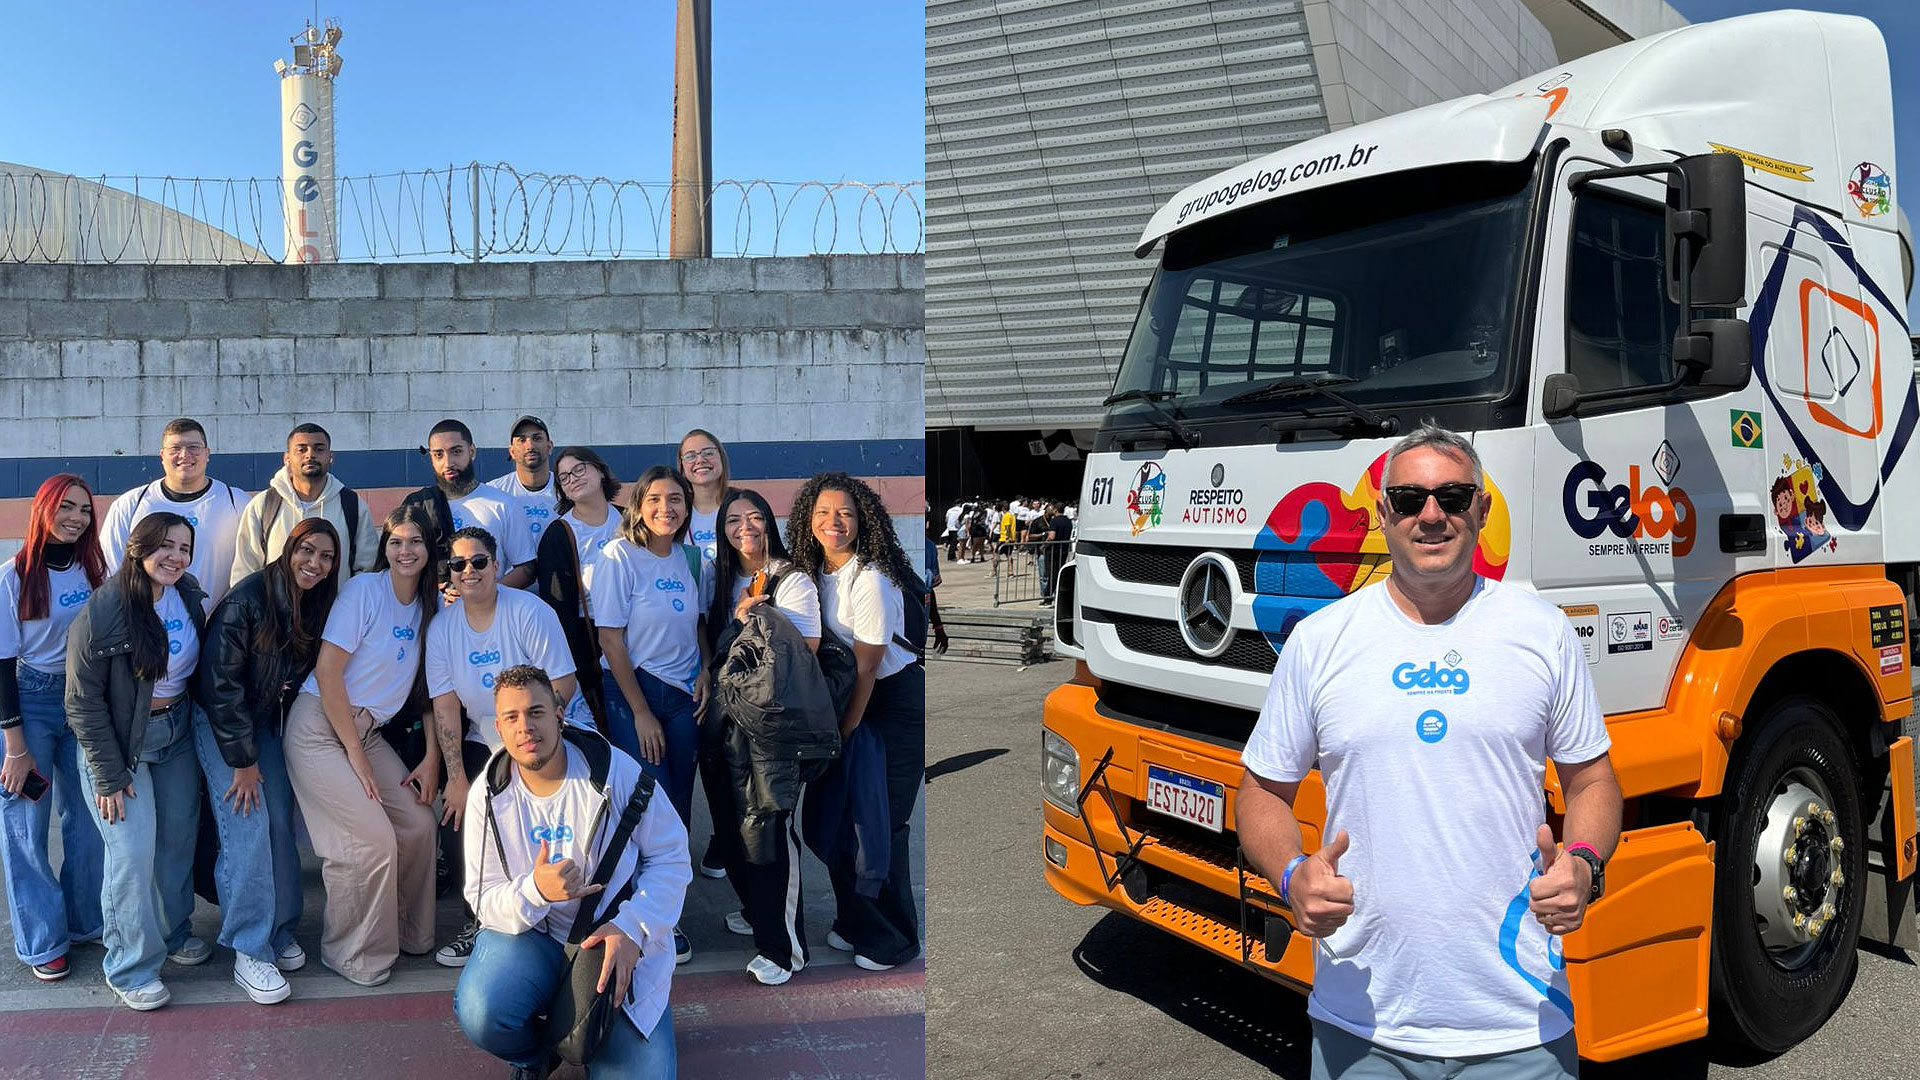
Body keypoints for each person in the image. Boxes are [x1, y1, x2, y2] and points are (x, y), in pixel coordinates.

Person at [1235, 424, 1622, 1080]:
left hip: (1520, 1022)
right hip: (1361, 1023)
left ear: (1482, 509)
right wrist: (1291, 873)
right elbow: (1260, 794)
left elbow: (1592, 782)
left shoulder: (1542, 632)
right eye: (1410, 499)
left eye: (1452, 495)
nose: (1432, 514)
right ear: (1383, 515)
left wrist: (1584, 864)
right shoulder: (1320, 641)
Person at [453, 665, 689, 1080]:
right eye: (511, 718)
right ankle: (537, 1057)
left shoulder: (616, 772)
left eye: (536, 712)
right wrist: (535, 891)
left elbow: (671, 856)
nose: (525, 727)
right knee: (481, 1008)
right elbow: (482, 898)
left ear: (559, 714)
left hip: (610, 941)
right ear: (499, 729)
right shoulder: (487, 795)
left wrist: (633, 927)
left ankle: (594, 1034)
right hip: (536, 940)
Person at [282, 505, 442, 987]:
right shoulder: (364, 591)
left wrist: (433, 757)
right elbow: (329, 673)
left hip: (366, 731)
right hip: (320, 726)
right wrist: (355, 756)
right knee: (368, 841)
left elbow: (434, 689)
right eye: (395, 541)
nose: (404, 550)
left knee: (416, 826)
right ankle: (351, 952)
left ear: (430, 549)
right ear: (384, 549)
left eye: (415, 541)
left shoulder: (432, 606)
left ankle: (409, 934)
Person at [195, 518, 345, 1004]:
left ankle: (279, 927)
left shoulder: (316, 599)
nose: (315, 563)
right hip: (223, 723)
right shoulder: (248, 600)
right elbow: (219, 688)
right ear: (288, 549)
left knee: (281, 819)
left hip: (262, 721)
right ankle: (248, 946)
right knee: (248, 820)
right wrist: (242, 762)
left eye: (326, 556)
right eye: (307, 551)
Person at [66, 513, 210, 1011]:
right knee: (130, 852)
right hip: (119, 745)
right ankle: (130, 965)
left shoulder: (187, 593)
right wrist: (107, 774)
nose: (174, 556)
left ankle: (174, 934)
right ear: (137, 548)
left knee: (176, 844)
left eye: (184, 548)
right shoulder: (104, 611)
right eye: (164, 546)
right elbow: (82, 702)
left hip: (177, 734)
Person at [426, 526, 584, 969]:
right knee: (457, 815)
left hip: (547, 734)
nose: (469, 571)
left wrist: (530, 739)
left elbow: (562, 683)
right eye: (459, 565)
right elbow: (445, 707)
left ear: (496, 566)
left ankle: (571, 910)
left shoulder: (529, 611)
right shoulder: (441, 629)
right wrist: (456, 778)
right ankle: (476, 921)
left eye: (479, 562)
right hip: (485, 738)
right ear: (450, 575)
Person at [787, 472, 924, 971]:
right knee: (838, 819)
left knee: (879, 823)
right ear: (807, 519)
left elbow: (868, 669)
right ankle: (853, 921)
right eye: (823, 512)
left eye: (844, 512)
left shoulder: (869, 578)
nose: (833, 522)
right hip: (847, 703)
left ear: (863, 519)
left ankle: (894, 938)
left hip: (888, 704)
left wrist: (841, 735)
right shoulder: (811, 573)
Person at [590, 465, 711, 965]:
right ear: (639, 506)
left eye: (677, 500)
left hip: (684, 695)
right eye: (656, 499)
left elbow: (699, 623)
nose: (667, 508)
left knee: (678, 805)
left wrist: (704, 667)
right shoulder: (619, 556)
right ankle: (632, 914)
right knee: (642, 803)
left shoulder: (691, 557)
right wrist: (640, 711)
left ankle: (667, 912)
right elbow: (609, 639)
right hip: (634, 694)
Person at [707, 487, 822, 985]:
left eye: (754, 517)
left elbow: (806, 648)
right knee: (732, 830)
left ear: (769, 523)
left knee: (769, 832)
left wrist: (750, 618)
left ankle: (785, 949)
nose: (745, 527)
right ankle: (759, 911)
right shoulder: (720, 577)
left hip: (770, 730)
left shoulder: (789, 579)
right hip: (723, 723)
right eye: (734, 520)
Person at [0, 474, 107, 983]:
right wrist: (15, 746)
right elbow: (1, 666)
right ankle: (43, 940)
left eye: (84, 510)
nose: (76, 517)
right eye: (66, 507)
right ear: (44, 508)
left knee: (88, 821)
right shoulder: (13, 576)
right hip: (32, 702)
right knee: (26, 825)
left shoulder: (93, 570)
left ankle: (86, 921)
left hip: (83, 702)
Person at [100, 417, 246, 608]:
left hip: (213, 627)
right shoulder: (129, 504)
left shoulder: (237, 502)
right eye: (175, 448)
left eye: (194, 447)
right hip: (144, 622)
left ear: (207, 454)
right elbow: (111, 569)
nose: (184, 455)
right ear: (162, 455)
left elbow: (250, 569)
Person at [531, 446, 624, 729]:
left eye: (579, 469)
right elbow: (560, 613)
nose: (572, 478)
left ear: (600, 470)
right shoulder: (559, 535)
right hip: (593, 646)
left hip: (644, 636)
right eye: (563, 477)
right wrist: (582, 670)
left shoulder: (631, 520)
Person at [230, 423, 377, 587]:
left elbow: (367, 572)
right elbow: (245, 571)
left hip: (336, 611)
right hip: (274, 611)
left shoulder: (353, 506)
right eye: (302, 449)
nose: (310, 455)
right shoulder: (264, 504)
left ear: (331, 457)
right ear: (287, 458)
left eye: (319, 449)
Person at [403, 419, 537, 589]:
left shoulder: (504, 504)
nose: (448, 463)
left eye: (456, 452)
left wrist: (488, 595)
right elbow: (401, 565)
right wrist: (435, 592)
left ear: (472, 451)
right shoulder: (418, 506)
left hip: (491, 611)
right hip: (433, 611)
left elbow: (526, 568)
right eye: (438, 454)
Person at [487, 414, 559, 545]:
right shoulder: (494, 492)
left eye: (537, 438)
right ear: (512, 452)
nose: (530, 446)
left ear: (550, 447)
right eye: (521, 440)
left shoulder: (567, 489)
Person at [675, 429, 729, 563]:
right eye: (690, 456)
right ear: (682, 466)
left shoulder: (741, 505)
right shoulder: (676, 511)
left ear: (721, 457)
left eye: (708, 453)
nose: (700, 460)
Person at [1038, 502, 1073, 606]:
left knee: (1052, 574)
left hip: (1053, 550)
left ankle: (1048, 598)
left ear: (1055, 510)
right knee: (1060, 573)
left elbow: (1052, 536)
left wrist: (1044, 545)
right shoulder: (1068, 521)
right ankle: (1060, 596)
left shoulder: (1054, 521)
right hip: (1064, 549)